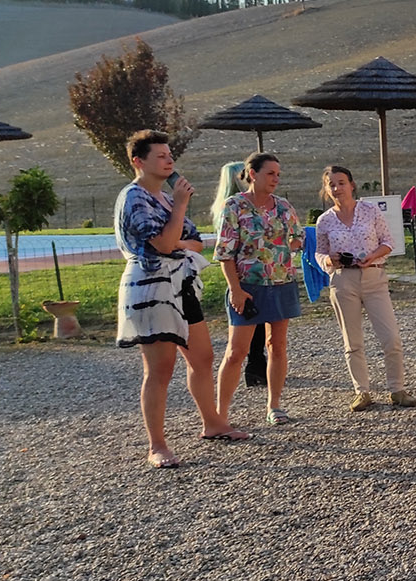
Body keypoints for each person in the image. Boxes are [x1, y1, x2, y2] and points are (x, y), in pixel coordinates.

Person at [115, 130, 249, 469]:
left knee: (202, 357)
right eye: (160, 155)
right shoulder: (134, 198)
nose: (169, 160)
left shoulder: (163, 197)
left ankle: (213, 423)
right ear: (138, 161)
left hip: (180, 284)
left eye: (169, 154)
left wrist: (174, 236)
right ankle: (157, 445)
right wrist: (179, 210)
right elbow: (163, 244)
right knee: (160, 368)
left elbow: (195, 241)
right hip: (151, 288)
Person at [314, 165, 416, 412]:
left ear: (352, 185)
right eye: (331, 184)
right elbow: (319, 252)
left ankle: (397, 389)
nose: (337, 188)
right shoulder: (324, 220)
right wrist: (329, 260)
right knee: (352, 341)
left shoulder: (370, 210)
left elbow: (388, 242)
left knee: (391, 337)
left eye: (341, 183)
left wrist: (372, 256)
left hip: (373, 276)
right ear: (326, 190)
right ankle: (361, 391)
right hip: (343, 279)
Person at [215, 152, 303, 426]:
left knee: (277, 345)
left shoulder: (283, 206)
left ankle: (274, 405)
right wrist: (235, 289)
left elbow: (298, 236)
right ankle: (220, 413)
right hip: (247, 287)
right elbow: (225, 253)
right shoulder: (235, 206)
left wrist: (285, 247)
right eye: (270, 173)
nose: (276, 179)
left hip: (281, 283)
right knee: (236, 351)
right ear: (252, 174)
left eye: (278, 174)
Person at [212, 161, 270, 387]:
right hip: (247, 271)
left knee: (252, 320)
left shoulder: (223, 205)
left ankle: (255, 365)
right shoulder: (236, 206)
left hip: (242, 270)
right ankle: (255, 364)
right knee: (252, 321)